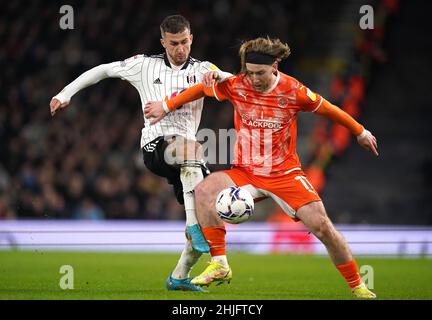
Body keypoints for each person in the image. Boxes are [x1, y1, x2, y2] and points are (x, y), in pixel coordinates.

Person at [143, 37, 379, 298]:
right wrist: (166, 106)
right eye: (250, 72)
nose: (253, 79)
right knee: (205, 191)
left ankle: (357, 285)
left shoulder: (293, 91)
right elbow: (200, 89)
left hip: (283, 174)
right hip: (245, 171)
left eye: (260, 73)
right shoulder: (237, 85)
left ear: (275, 66)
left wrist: (360, 132)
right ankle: (219, 264)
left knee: (322, 227)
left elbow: (330, 109)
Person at [49, 15, 231, 293]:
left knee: (210, 215)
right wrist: (65, 93)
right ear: (163, 42)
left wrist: (221, 76)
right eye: (173, 44)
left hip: (188, 158)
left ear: (191, 39)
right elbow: (103, 70)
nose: (180, 49)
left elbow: (237, 82)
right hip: (156, 145)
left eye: (184, 42)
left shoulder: (205, 68)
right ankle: (194, 229)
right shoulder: (144, 65)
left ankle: (179, 276)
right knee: (192, 150)